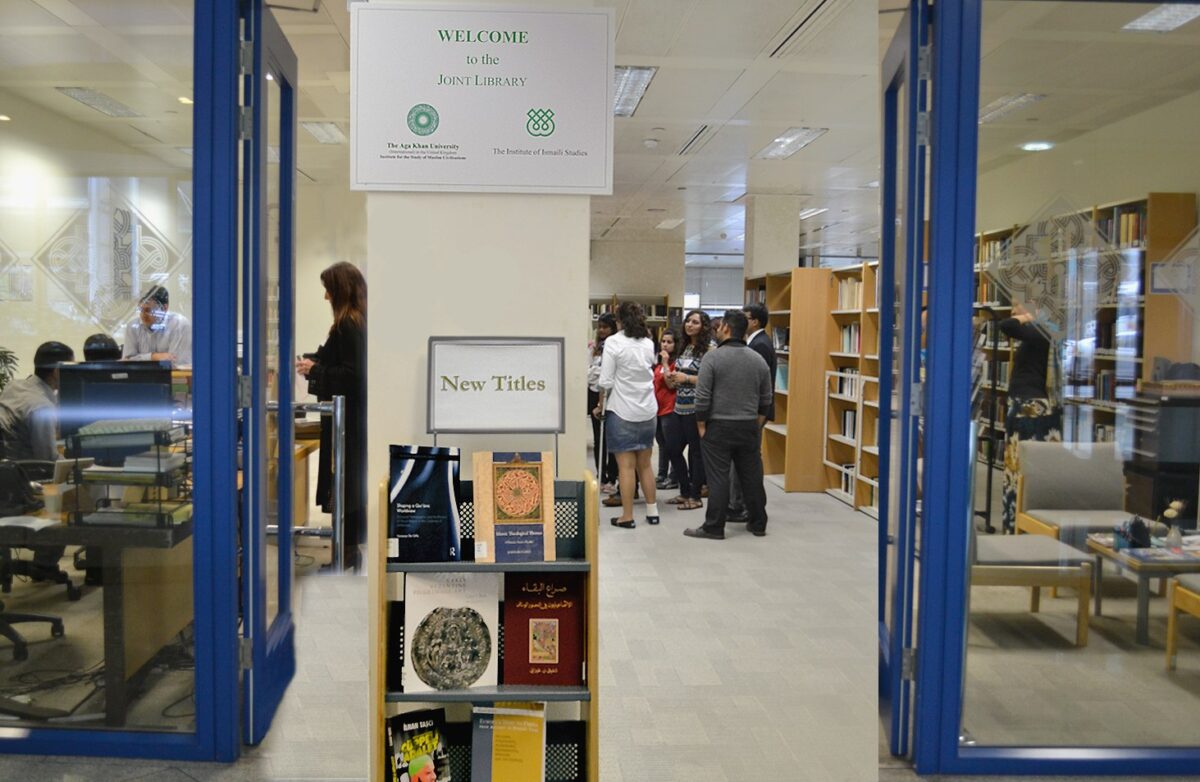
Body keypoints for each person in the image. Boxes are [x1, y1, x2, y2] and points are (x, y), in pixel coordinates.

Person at [296, 262, 367, 570]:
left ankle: (346, 554)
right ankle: (347, 553)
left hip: (346, 423)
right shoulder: (353, 322)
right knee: (347, 488)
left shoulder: (347, 324)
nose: (325, 296)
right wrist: (316, 362)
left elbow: (352, 374)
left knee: (345, 487)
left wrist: (316, 369)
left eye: (328, 289)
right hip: (350, 420)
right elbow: (335, 359)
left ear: (339, 291)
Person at [683, 310, 771, 540]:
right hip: (748, 426)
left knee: (718, 477)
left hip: (718, 426)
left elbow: (702, 396)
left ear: (727, 329)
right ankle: (758, 523)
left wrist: (701, 424)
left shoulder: (713, 358)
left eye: (720, 326)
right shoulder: (757, 359)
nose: (718, 329)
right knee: (751, 476)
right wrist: (757, 423)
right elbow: (766, 398)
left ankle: (714, 526)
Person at [0, 341, 75, 571]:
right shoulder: (41, 407)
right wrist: (79, 465)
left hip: (7, 478)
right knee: (74, 497)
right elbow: (47, 462)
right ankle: (45, 566)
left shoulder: (14, 387)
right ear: (56, 372)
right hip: (22, 481)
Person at [998, 301, 1061, 533]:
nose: (1013, 311)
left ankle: (1022, 522)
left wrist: (1027, 316)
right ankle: (1015, 521)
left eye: (1017, 305)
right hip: (1026, 403)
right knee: (1017, 465)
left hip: (1032, 407)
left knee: (1024, 465)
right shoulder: (1041, 330)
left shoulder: (1042, 329)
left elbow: (1007, 326)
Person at [597, 301, 659, 528]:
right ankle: (653, 512)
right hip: (648, 410)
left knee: (626, 467)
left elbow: (605, 380)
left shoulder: (613, 342)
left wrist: (600, 398)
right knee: (645, 464)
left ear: (618, 321)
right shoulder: (649, 343)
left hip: (622, 410)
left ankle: (628, 516)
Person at [725, 304, 777, 522]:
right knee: (744, 460)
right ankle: (740, 504)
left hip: (754, 412)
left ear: (754, 321)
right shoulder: (755, 342)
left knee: (749, 461)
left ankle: (748, 507)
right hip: (751, 410)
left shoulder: (760, 345)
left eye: (745, 318)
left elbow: (758, 383)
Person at [664, 310, 711, 511]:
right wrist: (673, 376)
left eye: (695, 322)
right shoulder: (684, 348)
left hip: (696, 408)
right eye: (688, 321)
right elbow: (676, 378)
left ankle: (695, 495)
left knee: (696, 453)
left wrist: (688, 379)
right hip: (679, 406)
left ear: (704, 326)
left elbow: (711, 380)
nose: (689, 325)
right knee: (672, 449)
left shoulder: (709, 350)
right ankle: (684, 491)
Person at [122, 285, 192, 366]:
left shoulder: (179, 325)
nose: (143, 315)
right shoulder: (133, 326)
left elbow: (176, 364)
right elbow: (126, 362)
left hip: (174, 378)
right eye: (141, 310)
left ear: (164, 308)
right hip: (141, 377)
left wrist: (140, 359)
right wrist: (153, 357)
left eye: (149, 310)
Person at [587, 313, 618, 491]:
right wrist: (595, 372)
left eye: (606, 327)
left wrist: (595, 372)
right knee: (598, 438)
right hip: (594, 394)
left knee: (611, 437)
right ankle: (602, 475)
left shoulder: (615, 346)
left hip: (610, 395)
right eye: (600, 326)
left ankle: (612, 477)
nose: (602, 330)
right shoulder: (595, 347)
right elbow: (590, 372)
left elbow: (604, 374)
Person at [652, 329, 681, 492]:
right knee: (662, 444)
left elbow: (671, 384)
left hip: (670, 408)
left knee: (672, 445)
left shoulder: (674, 363)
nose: (665, 344)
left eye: (669, 342)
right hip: (657, 408)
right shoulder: (657, 362)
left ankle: (674, 476)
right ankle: (662, 474)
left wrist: (665, 363)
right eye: (663, 341)